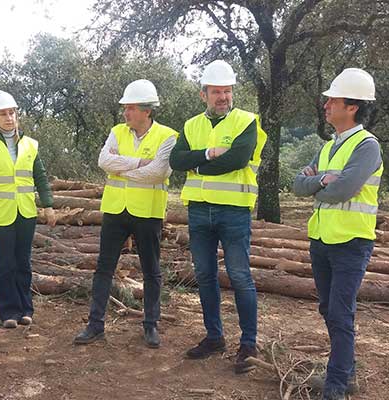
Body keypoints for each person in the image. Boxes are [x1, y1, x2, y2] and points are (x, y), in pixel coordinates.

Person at [292, 68, 382, 400]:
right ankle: (344, 374)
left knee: (341, 315)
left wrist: (319, 185)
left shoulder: (367, 146)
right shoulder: (329, 145)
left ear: (353, 107)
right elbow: (298, 186)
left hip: (351, 243)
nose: (326, 104)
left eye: (333, 100)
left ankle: (334, 395)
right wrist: (320, 181)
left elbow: (342, 190)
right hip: (323, 240)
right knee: (329, 310)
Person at [169, 60, 267, 373]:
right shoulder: (191, 125)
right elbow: (176, 160)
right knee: (205, 275)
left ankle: (248, 344)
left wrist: (195, 163)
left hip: (233, 211)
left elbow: (238, 159)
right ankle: (215, 337)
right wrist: (207, 157)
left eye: (227, 91)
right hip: (199, 210)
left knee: (240, 276)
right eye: (216, 92)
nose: (222, 96)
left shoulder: (247, 122)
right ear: (204, 95)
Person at [72, 79, 177, 348]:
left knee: (151, 270)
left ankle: (151, 325)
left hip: (148, 212)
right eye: (125, 108)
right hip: (115, 209)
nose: (125, 113)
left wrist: (121, 168)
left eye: (130, 108)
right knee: (103, 268)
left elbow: (158, 172)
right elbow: (103, 161)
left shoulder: (168, 136)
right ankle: (95, 325)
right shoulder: (117, 131)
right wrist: (138, 163)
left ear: (147, 111)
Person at [0, 90, 55, 329]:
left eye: (12, 113)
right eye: (3, 114)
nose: (9, 118)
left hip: (26, 212)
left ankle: (26, 309)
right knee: (5, 264)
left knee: (23, 262)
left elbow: (40, 176)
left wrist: (48, 206)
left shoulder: (30, 145)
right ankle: (8, 312)